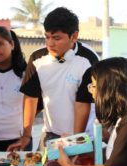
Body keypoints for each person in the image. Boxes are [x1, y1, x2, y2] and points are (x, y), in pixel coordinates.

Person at [7, 7, 94, 151]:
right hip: (50, 135)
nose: (50, 44)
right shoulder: (37, 58)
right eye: (47, 37)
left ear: (74, 36)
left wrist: (76, 144)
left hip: (82, 137)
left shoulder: (88, 59)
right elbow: (30, 97)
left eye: (56, 38)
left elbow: (83, 104)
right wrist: (26, 135)